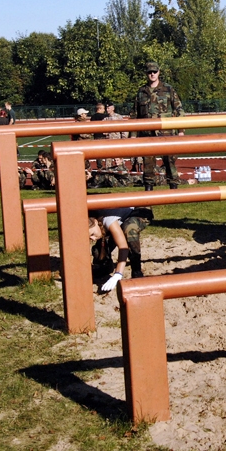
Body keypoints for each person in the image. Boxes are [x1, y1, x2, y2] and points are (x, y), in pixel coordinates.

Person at [130, 61, 185, 191]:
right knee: (148, 163)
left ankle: (173, 188)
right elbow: (134, 115)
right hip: (147, 133)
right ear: (146, 74)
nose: (152, 74)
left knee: (169, 161)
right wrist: (133, 135)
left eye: (154, 71)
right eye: (150, 72)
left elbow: (179, 110)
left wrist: (181, 130)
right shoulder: (141, 92)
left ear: (159, 72)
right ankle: (149, 189)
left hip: (165, 133)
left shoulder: (168, 89)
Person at [88, 206, 153, 292]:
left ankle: (137, 271)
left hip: (139, 210)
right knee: (99, 249)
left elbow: (123, 247)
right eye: (89, 237)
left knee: (129, 229)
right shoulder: (91, 219)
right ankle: (104, 267)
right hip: (119, 216)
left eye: (92, 234)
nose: (92, 238)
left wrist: (118, 274)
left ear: (96, 221)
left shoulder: (108, 220)